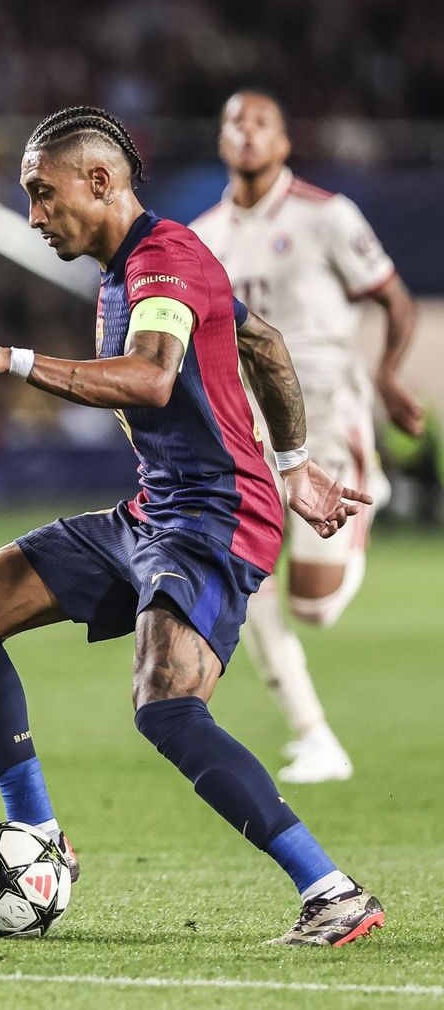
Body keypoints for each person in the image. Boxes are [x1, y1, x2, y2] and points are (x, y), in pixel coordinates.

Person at [0, 107, 381, 947]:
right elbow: (264, 343)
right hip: (156, 511)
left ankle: (332, 889)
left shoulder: (163, 259)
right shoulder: (138, 265)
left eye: (41, 192)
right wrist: (295, 462)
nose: (33, 215)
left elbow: (151, 378)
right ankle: (39, 838)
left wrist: (7, 357)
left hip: (213, 517)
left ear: (101, 181)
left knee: (165, 707)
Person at [190, 89, 423, 783]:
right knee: (249, 584)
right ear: (222, 140)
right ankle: (316, 736)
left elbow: (393, 296)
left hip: (325, 415)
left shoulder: (327, 216)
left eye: (262, 123)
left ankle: (366, 489)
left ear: (284, 142)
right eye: (235, 122)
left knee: (314, 609)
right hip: (254, 435)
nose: (248, 133)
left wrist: (386, 376)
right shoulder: (204, 236)